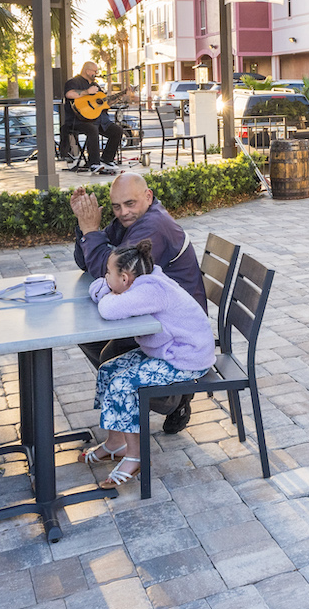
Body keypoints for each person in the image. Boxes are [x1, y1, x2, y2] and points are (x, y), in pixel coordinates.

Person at [72, 171, 208, 434]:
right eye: (116, 206)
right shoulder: (132, 219)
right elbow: (89, 264)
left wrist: (91, 230)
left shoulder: (152, 227)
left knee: (111, 354)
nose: (122, 212)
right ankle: (134, 412)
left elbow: (113, 274)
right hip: (154, 317)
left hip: (177, 332)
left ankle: (174, 399)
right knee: (90, 338)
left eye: (129, 204)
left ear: (148, 196)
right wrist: (83, 225)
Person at [83, 241, 218, 489]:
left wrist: (108, 293)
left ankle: (136, 457)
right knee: (108, 369)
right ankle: (116, 443)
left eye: (108, 273)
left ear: (125, 278)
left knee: (123, 384)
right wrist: (109, 288)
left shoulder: (150, 291)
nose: (104, 276)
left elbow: (107, 308)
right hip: (172, 352)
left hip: (187, 359)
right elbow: (102, 291)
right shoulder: (143, 282)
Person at [63, 60, 124, 173]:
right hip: (77, 120)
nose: (96, 74)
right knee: (92, 129)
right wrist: (87, 91)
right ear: (87, 71)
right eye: (94, 71)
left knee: (117, 130)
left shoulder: (95, 86)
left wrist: (119, 97)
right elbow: (69, 94)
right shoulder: (73, 82)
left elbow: (103, 103)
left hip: (98, 119)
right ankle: (94, 163)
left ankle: (107, 159)